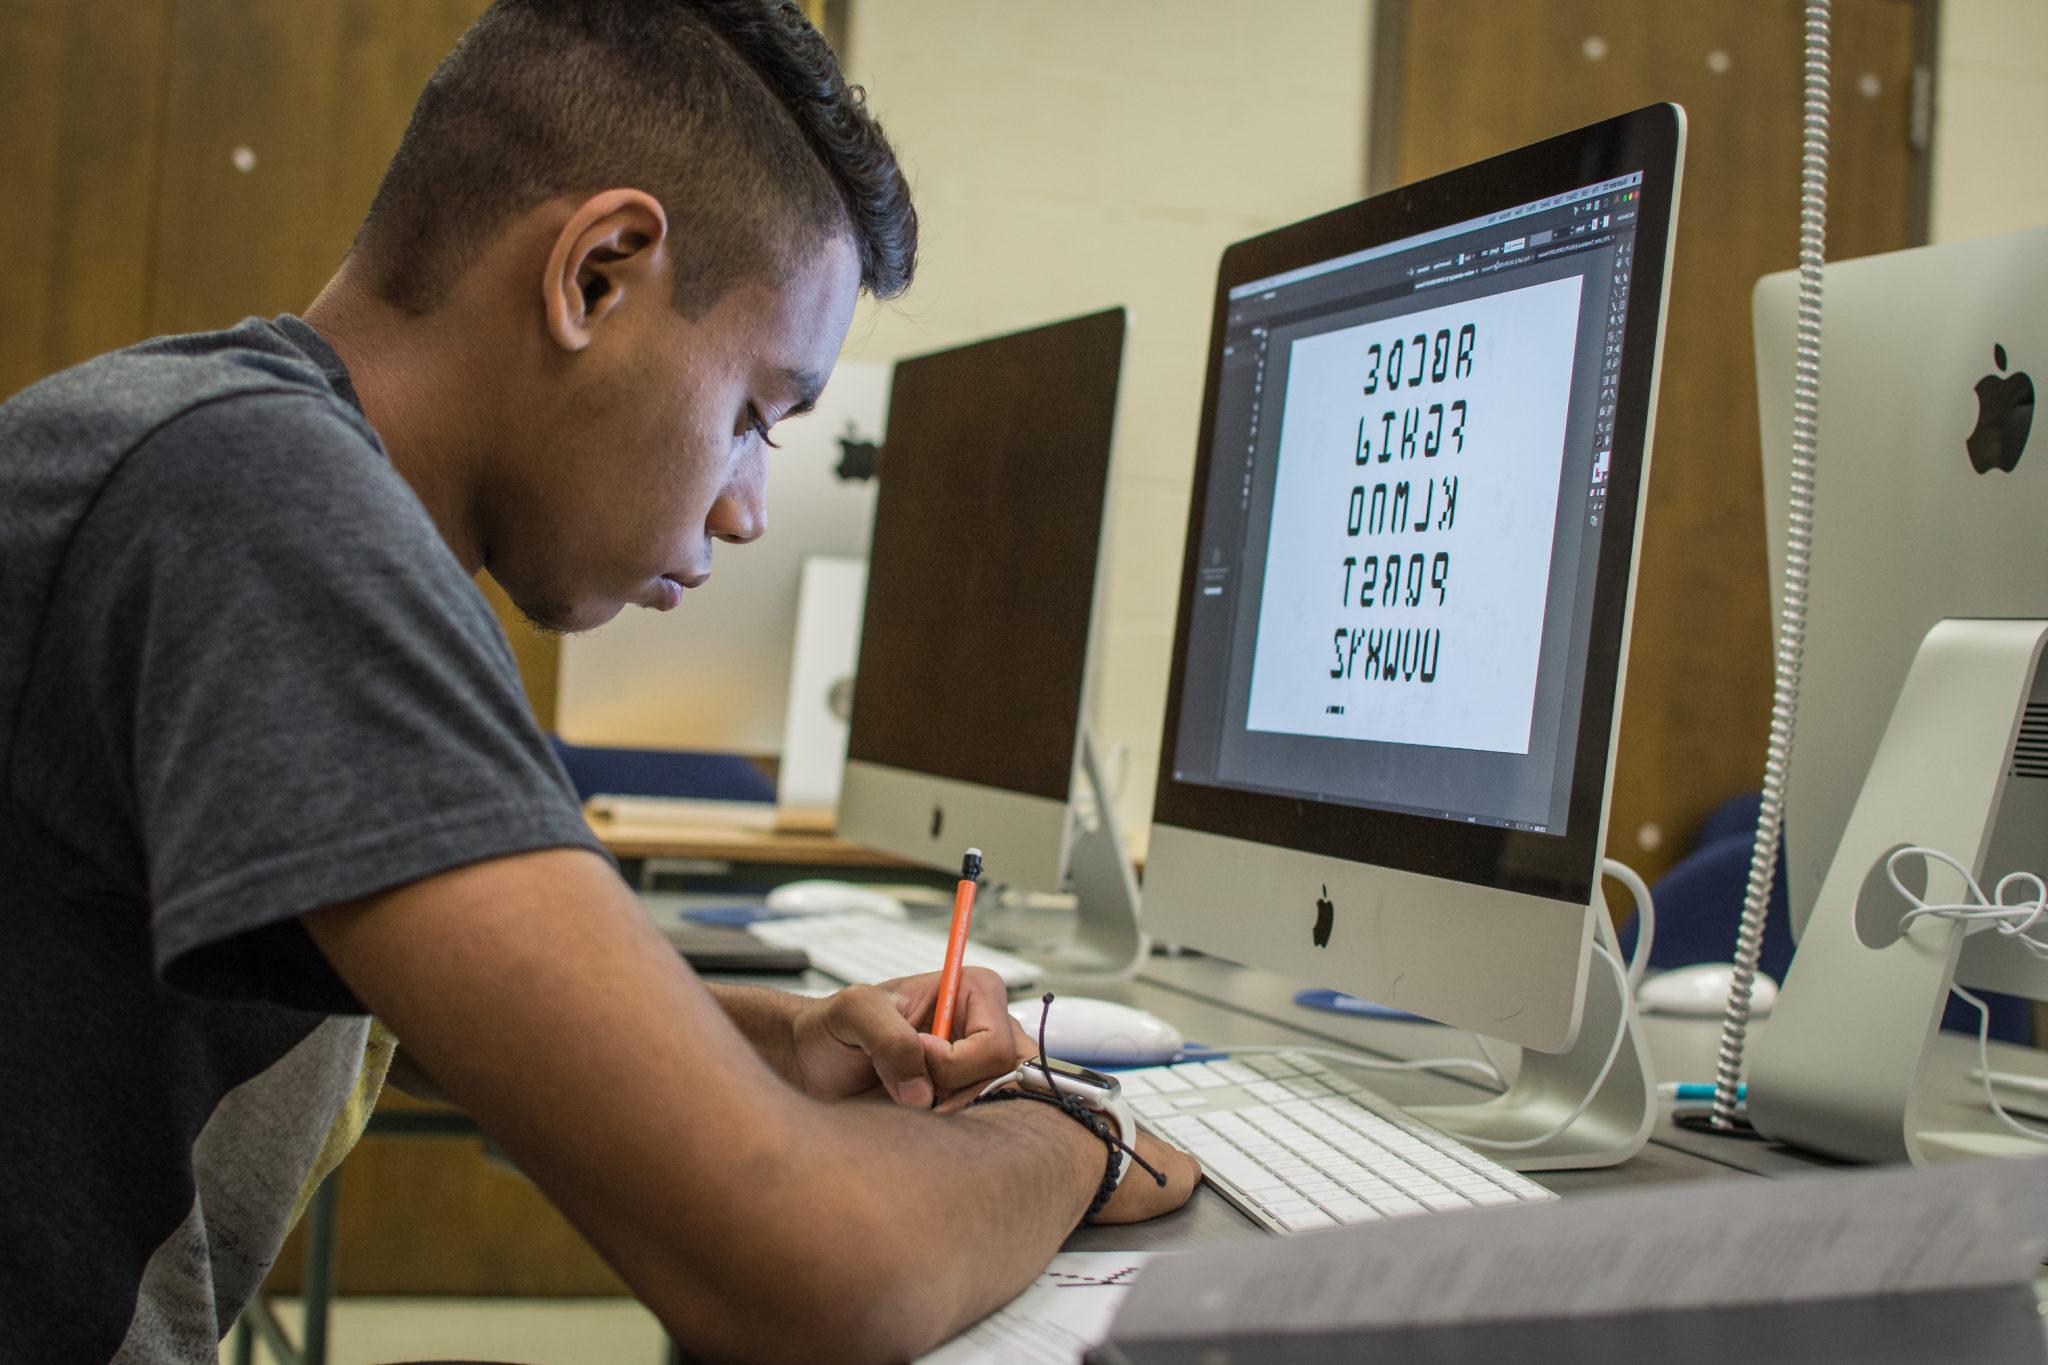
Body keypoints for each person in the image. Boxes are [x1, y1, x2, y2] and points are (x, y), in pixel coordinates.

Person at [0, 2, 1198, 1360]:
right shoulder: (264, 507)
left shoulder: (222, 446)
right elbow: (814, 1274)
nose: (749, 508)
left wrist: (776, 1036)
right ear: (599, 273)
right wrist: (1075, 1130)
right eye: (756, 415)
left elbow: (412, 990)